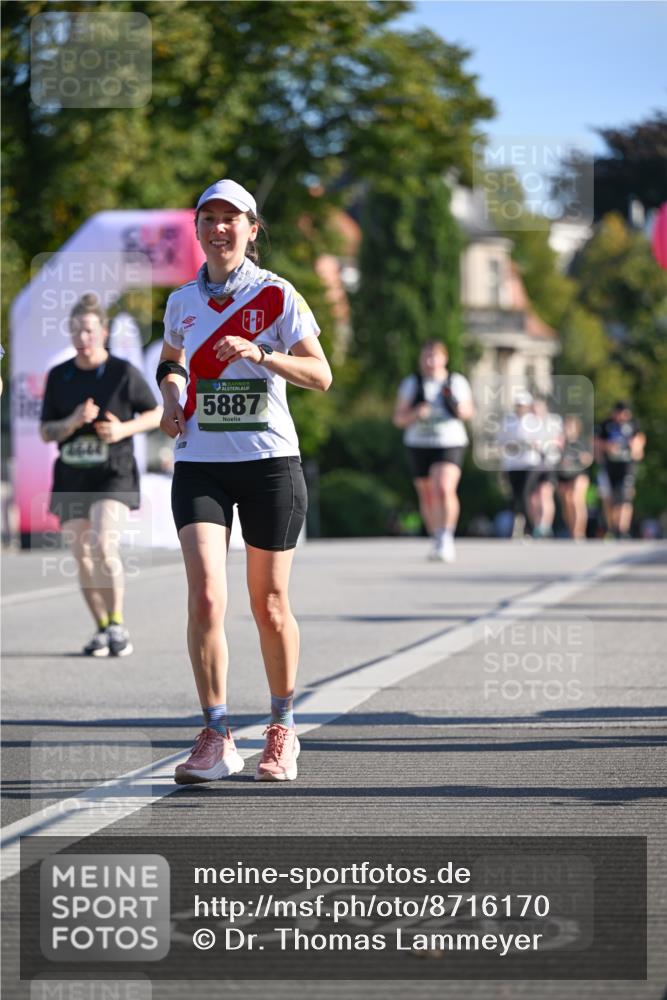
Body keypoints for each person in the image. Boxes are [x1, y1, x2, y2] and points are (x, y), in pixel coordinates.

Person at [158, 178, 332, 784]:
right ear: (198, 229)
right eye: (209, 218)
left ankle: (282, 728)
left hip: (268, 465)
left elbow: (321, 373)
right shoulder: (181, 300)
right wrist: (171, 395)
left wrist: (261, 355)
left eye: (232, 218)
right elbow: (173, 359)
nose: (219, 228)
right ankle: (216, 733)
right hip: (200, 460)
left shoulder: (277, 296)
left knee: (270, 604)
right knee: (206, 595)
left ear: (252, 230)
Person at [40, 293, 162, 656]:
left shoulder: (123, 372)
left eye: (89, 330)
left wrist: (121, 431)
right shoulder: (58, 377)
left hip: (114, 473)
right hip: (72, 475)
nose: (83, 337)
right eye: (76, 330)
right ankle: (102, 627)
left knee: (103, 545)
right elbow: (46, 431)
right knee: (82, 556)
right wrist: (72, 421)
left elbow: (156, 414)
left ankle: (119, 624)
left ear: (104, 332)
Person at [393, 340, 473, 562]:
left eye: (434, 356)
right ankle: (436, 535)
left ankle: (446, 536)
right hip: (418, 443)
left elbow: (468, 411)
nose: (430, 361)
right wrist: (416, 413)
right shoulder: (412, 383)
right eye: (426, 357)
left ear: (444, 358)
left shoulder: (455, 381)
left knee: (444, 488)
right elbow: (398, 418)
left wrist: (456, 406)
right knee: (427, 494)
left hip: (449, 441)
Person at [596, 402, 646, 539]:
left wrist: (636, 448)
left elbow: (640, 439)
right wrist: (608, 446)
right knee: (609, 498)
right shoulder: (606, 425)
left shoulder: (633, 424)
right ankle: (611, 527)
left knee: (625, 497)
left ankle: (622, 529)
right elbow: (596, 442)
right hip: (609, 466)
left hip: (627, 466)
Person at [556, 414, 593, 540]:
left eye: (570, 426)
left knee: (576, 500)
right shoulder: (560, 443)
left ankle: (579, 532)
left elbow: (589, 459)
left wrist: (581, 458)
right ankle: (571, 530)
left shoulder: (582, 441)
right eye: (566, 426)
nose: (567, 428)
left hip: (579, 474)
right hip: (564, 476)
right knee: (567, 502)